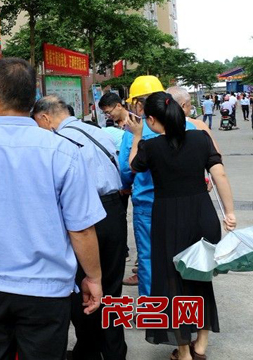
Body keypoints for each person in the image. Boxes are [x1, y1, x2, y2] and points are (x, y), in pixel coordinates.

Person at [0, 58, 105, 360]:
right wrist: (93, 278)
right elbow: (81, 228)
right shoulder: (63, 151)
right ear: (32, 98)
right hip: (46, 290)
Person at [125, 92, 236, 360]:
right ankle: (201, 345)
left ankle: (184, 351)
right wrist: (230, 213)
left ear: (152, 119)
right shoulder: (200, 138)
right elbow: (219, 173)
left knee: (173, 282)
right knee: (201, 277)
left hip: (169, 218)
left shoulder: (151, 147)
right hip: (202, 215)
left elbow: (133, 166)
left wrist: (137, 136)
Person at [33, 95, 127, 360]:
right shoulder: (99, 133)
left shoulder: (58, 142)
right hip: (115, 211)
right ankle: (115, 352)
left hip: (85, 217)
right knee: (112, 288)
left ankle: (88, 352)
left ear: (45, 118)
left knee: (82, 288)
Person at [118, 76, 197, 293]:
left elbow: (126, 169)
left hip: (147, 205)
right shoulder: (189, 127)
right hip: (182, 203)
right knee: (182, 254)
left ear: (138, 104)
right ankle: (181, 304)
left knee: (149, 257)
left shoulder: (134, 132)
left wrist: (126, 185)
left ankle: (153, 307)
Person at [167, 86, 221, 154]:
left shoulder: (156, 127)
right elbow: (215, 153)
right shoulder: (198, 125)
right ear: (183, 106)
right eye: (190, 104)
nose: (191, 107)